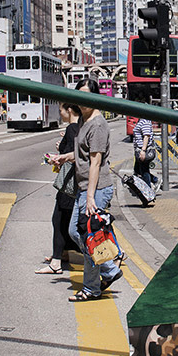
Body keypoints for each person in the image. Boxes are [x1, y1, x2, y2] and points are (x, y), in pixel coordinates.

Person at [63, 79, 122, 302]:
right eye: (79, 96)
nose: (82, 100)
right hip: (86, 187)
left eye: (86, 96)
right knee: (76, 233)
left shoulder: (97, 124)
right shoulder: (83, 121)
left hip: (95, 189)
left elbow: (96, 162)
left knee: (88, 237)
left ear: (95, 97)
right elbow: (84, 155)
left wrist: (89, 196)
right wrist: (64, 157)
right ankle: (108, 268)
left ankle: (92, 287)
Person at [40, 104, 81, 275]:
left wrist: (56, 158)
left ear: (69, 110)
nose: (60, 113)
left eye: (62, 110)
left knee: (59, 220)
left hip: (70, 184)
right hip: (77, 183)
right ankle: (61, 254)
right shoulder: (80, 127)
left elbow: (74, 155)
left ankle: (56, 261)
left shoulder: (72, 128)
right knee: (68, 221)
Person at [132, 115, 157, 190]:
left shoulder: (145, 121)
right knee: (138, 169)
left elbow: (146, 136)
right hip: (139, 150)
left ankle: (148, 191)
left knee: (144, 170)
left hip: (143, 150)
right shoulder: (141, 120)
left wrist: (143, 150)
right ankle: (154, 180)